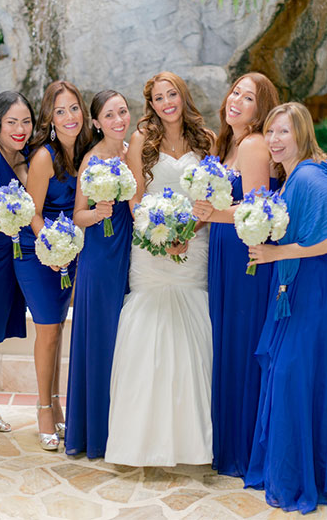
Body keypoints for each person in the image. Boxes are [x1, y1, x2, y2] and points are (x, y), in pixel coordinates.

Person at [105, 71, 215, 466]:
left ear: (182, 96)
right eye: (157, 98)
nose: (166, 103)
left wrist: (189, 231)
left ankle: (192, 444)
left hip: (194, 248)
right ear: (150, 104)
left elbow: (211, 198)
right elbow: (135, 200)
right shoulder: (140, 141)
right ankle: (138, 443)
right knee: (146, 332)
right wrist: (157, 235)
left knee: (193, 334)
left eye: (172, 95)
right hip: (149, 251)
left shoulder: (208, 140)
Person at [193, 73, 279, 477]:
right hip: (225, 251)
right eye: (236, 92)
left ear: (261, 110)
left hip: (246, 257)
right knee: (226, 340)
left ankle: (244, 449)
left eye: (248, 98)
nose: (236, 100)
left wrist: (214, 215)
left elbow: (256, 213)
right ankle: (226, 443)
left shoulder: (253, 144)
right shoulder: (227, 143)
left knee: (242, 343)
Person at [244, 102, 327, 514]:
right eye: (271, 133)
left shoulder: (310, 177)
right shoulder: (293, 176)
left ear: (301, 134)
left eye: (283, 133)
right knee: (292, 380)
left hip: (309, 294)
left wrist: (274, 255)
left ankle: (296, 479)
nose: (275, 141)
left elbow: (326, 241)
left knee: (293, 380)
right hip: (293, 293)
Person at [13, 80, 92, 451]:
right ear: (50, 117)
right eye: (59, 111)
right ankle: (43, 408)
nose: (69, 116)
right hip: (39, 248)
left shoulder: (85, 151)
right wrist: (54, 244)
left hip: (68, 249)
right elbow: (31, 211)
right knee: (46, 330)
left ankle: (57, 404)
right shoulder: (44, 156)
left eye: (73, 108)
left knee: (58, 328)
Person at [65, 90, 133, 458]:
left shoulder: (134, 150)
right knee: (101, 336)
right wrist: (99, 211)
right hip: (100, 256)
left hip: (130, 251)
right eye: (109, 115)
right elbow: (78, 215)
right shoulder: (91, 161)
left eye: (122, 112)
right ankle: (96, 432)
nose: (118, 119)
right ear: (96, 123)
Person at [0, 91, 34, 447]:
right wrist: (7, 220)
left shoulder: (20, 158)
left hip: (8, 255)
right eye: (11, 122)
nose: (20, 128)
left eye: (26, 121)